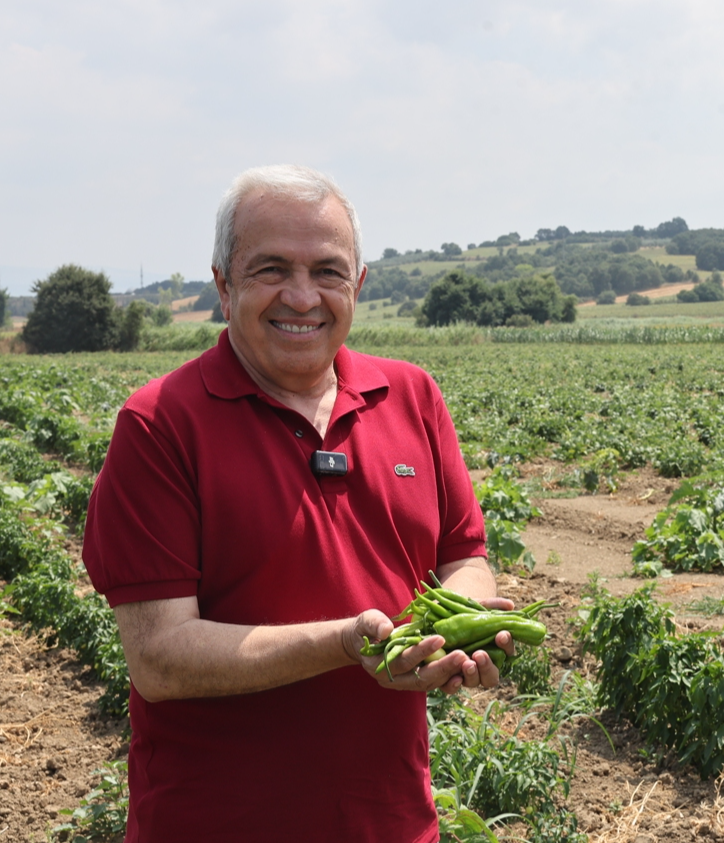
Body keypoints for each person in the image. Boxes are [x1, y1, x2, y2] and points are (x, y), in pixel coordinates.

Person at [83, 164, 509, 843]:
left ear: (359, 284)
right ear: (224, 285)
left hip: (392, 823)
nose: (303, 296)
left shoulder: (414, 397)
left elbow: (464, 554)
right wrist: (344, 643)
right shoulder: (161, 424)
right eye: (272, 269)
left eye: (328, 271)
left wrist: (467, 624)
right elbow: (159, 657)